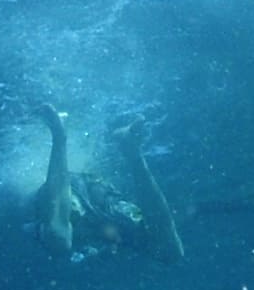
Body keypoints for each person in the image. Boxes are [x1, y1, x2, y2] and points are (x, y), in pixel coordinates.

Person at [28, 103, 187, 268]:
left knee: (171, 252)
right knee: (58, 238)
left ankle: (129, 149)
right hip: (72, 195)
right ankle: (62, 136)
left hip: (95, 202)